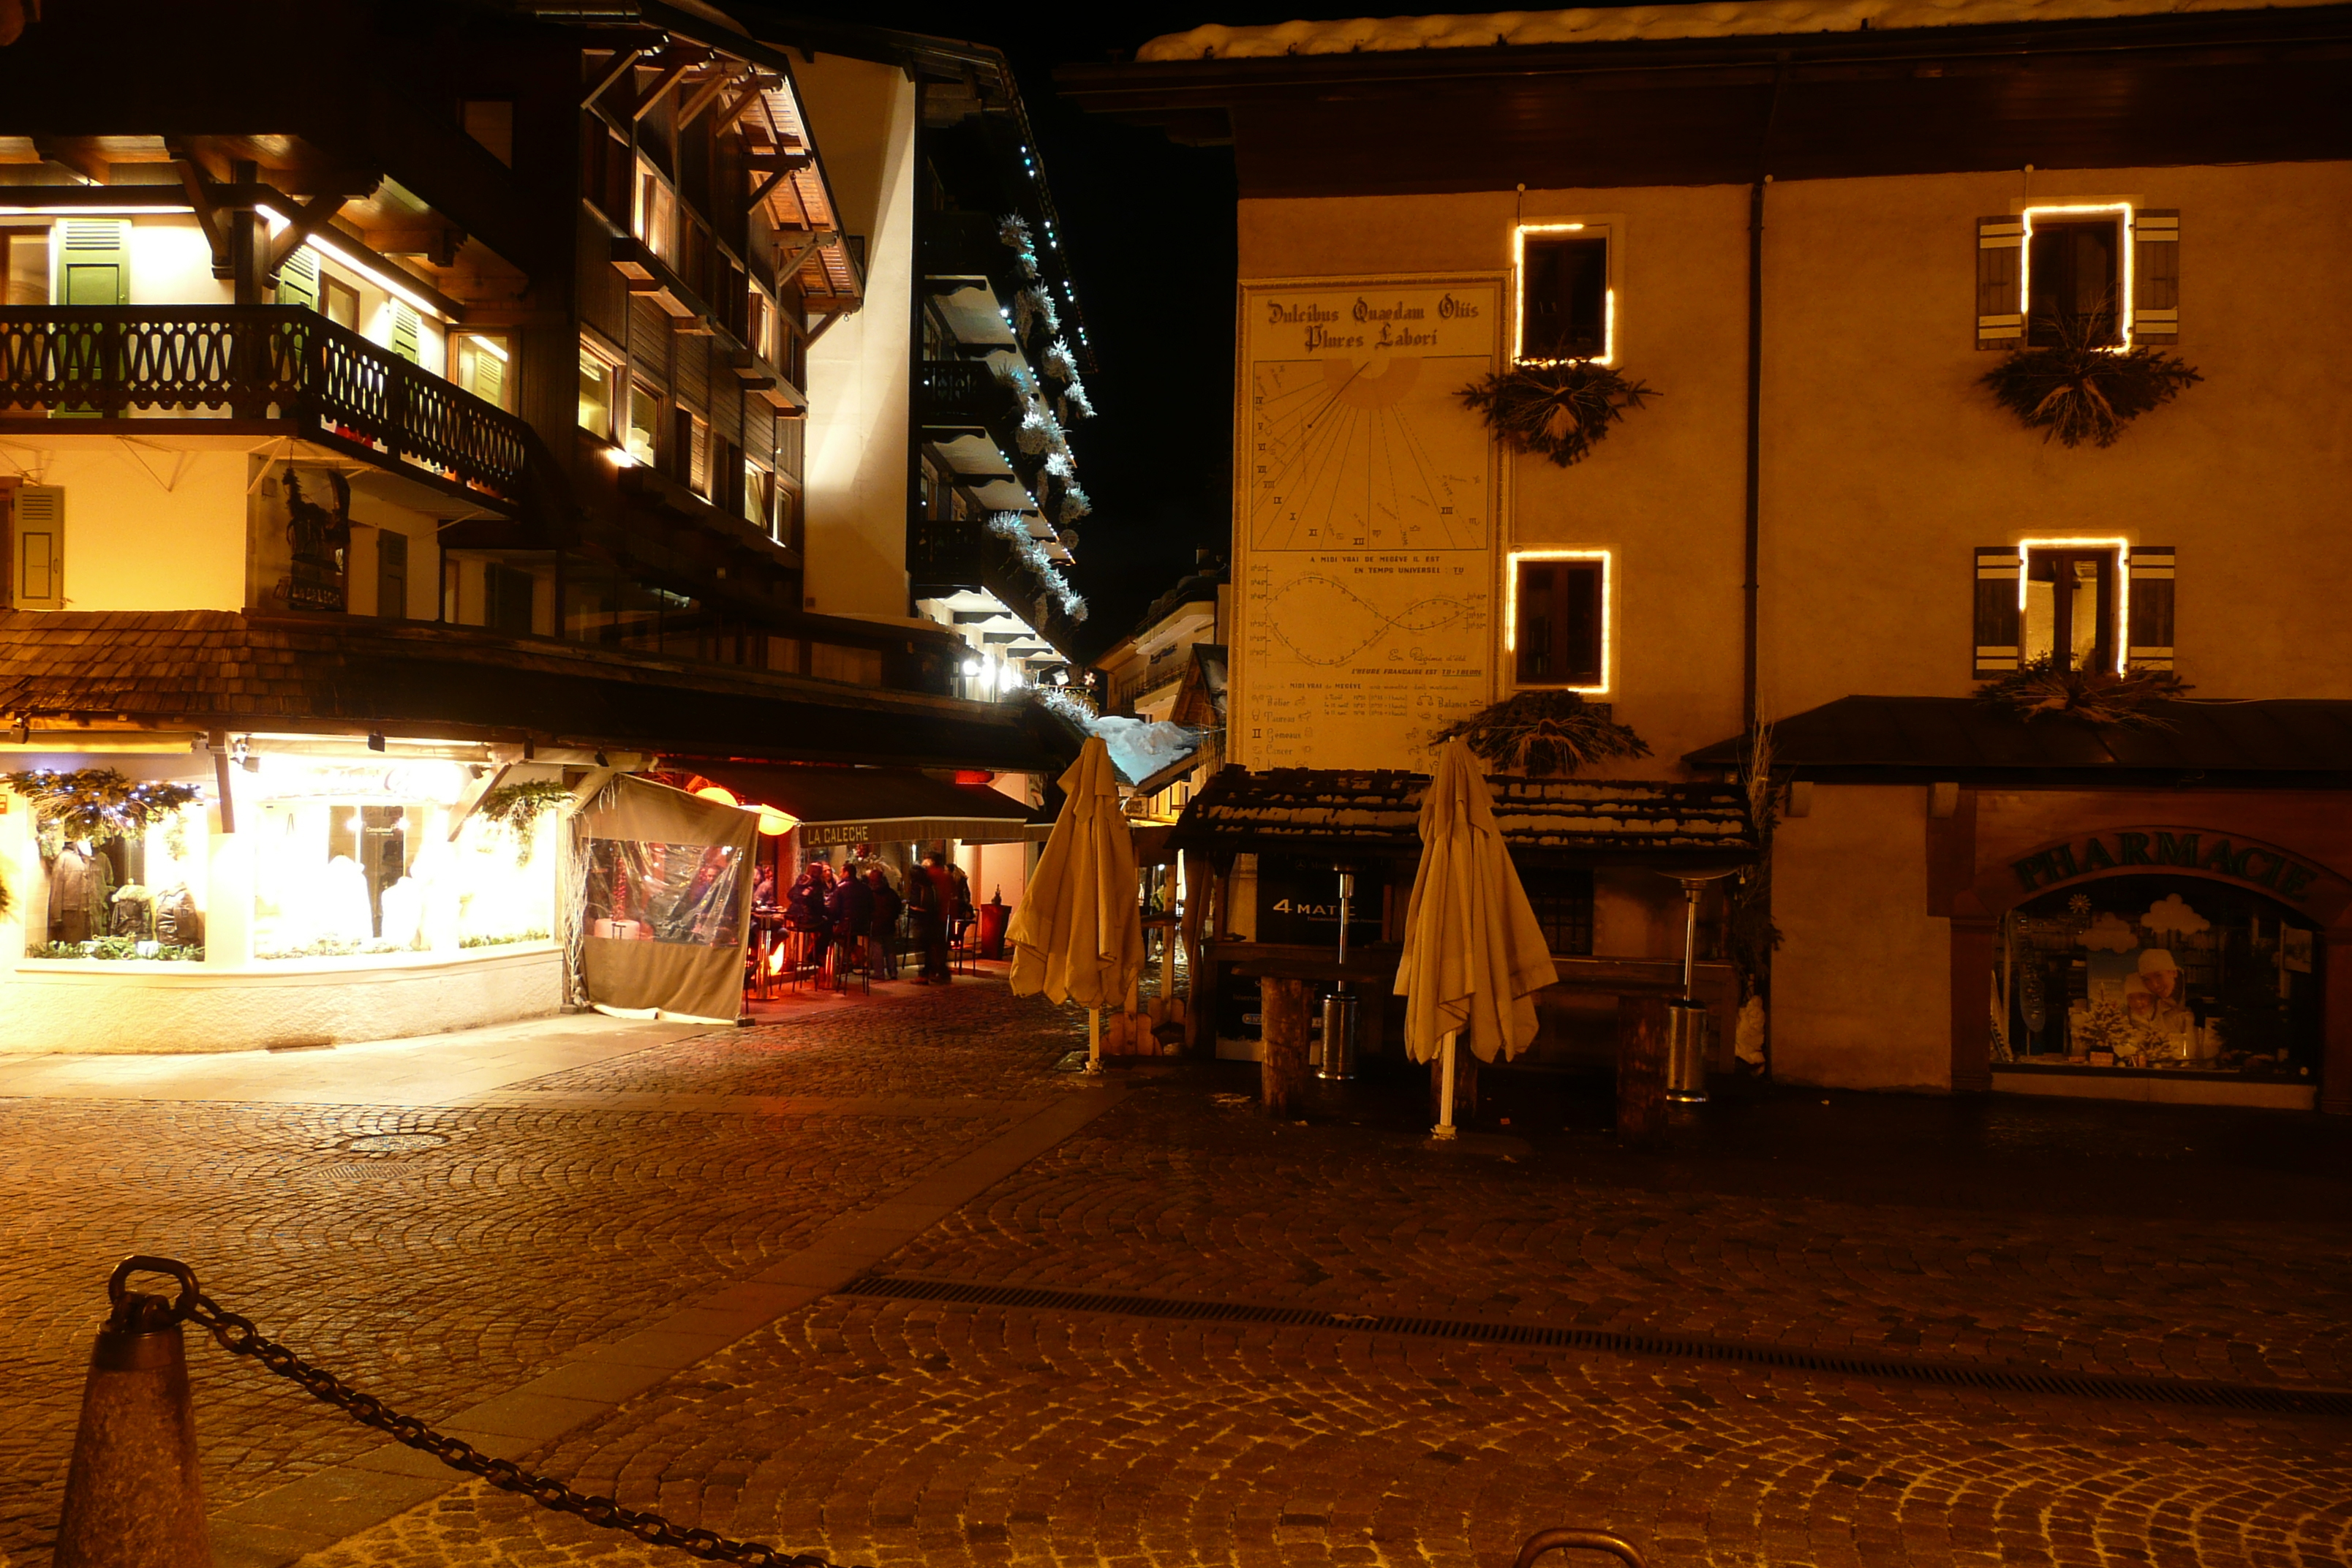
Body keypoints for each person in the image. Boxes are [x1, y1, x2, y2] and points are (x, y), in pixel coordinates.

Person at [908, 851, 954, 984]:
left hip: (929, 916)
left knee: (925, 947)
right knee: (938, 947)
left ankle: (927, 973)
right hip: (942, 916)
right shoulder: (946, 876)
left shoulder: (931, 875)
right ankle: (940, 973)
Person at [824, 863, 875, 979]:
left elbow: (834, 909)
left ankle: (854, 950)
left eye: (842, 872)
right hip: (863, 925)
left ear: (847, 873)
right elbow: (872, 907)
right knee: (848, 935)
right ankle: (854, 953)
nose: (840, 874)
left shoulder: (841, 888)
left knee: (831, 934)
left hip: (847, 924)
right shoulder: (865, 888)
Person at [865, 866, 902, 979]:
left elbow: (866, 908)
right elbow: (898, 906)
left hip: (875, 924)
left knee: (877, 949)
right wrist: (894, 917)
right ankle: (893, 972)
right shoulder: (890, 892)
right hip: (889, 923)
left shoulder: (870, 894)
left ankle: (879, 972)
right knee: (890, 949)